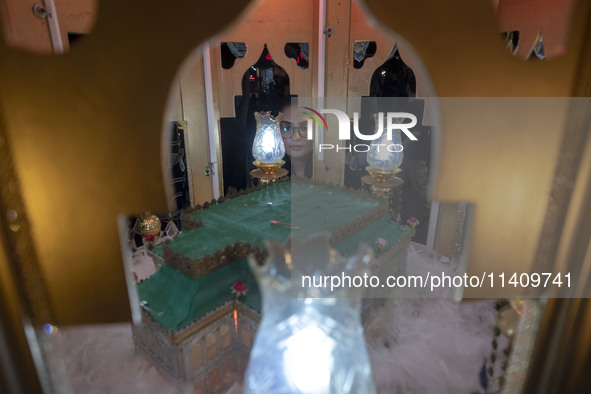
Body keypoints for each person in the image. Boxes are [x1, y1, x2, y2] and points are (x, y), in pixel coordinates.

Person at [278, 102, 314, 178]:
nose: (296, 137)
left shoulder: (335, 172)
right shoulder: (269, 173)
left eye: (305, 128)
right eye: (287, 128)